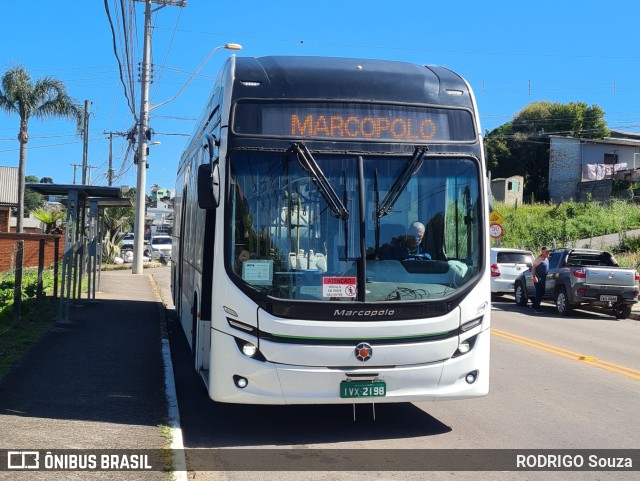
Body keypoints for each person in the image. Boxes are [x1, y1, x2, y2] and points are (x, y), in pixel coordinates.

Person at [530, 246, 550, 313]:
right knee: (539, 293)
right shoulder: (539, 259)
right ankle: (536, 308)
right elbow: (533, 268)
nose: (548, 252)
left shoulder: (546, 258)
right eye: (546, 251)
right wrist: (533, 276)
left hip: (544, 279)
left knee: (542, 292)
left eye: (548, 251)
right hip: (538, 278)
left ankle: (534, 304)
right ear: (542, 252)